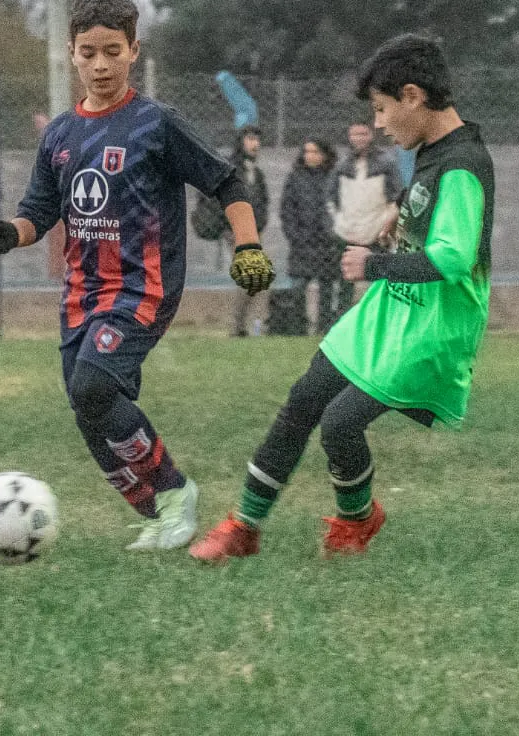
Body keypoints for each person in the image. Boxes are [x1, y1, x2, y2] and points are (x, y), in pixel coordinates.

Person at [0, 0, 275, 552]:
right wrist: (9, 233)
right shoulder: (60, 135)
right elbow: (40, 212)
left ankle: (176, 492)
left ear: (134, 50)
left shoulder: (155, 123)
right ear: (71, 53)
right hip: (81, 295)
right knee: (88, 409)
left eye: (113, 51)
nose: (100, 64)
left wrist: (248, 246)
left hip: (143, 287)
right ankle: (157, 514)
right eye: (88, 52)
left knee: (93, 384)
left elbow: (226, 180)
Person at [190, 33, 495, 563]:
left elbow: (452, 259)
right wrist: (399, 213)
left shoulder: (464, 163)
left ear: (413, 96)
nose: (378, 123)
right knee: (305, 398)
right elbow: (430, 208)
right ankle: (244, 526)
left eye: (381, 109)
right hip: (392, 310)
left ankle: (356, 521)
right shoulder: (435, 150)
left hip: (430, 329)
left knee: (341, 422)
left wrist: (371, 264)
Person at [329, 120, 403, 309]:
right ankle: (342, 322)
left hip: (377, 231)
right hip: (347, 231)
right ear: (349, 136)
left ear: (371, 135)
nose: (359, 138)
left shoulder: (386, 162)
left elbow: (396, 197)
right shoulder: (342, 165)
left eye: (363, 134)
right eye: (355, 134)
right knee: (345, 282)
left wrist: (386, 225)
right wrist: (338, 224)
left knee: (381, 278)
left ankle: (384, 316)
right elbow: (332, 197)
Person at [279, 137, 340, 335]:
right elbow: (287, 210)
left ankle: (324, 327)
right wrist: (295, 236)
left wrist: (332, 235)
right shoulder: (295, 177)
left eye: (315, 152)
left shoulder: (333, 176)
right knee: (298, 287)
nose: (310, 156)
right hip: (302, 243)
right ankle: (298, 327)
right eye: (307, 152)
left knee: (327, 288)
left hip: (327, 243)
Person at [228, 123, 270, 336]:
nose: (255, 144)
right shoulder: (231, 168)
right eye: (250, 139)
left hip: (253, 231)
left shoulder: (256, 172)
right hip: (236, 230)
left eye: (257, 140)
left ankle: (247, 326)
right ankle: (238, 327)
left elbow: (263, 201)